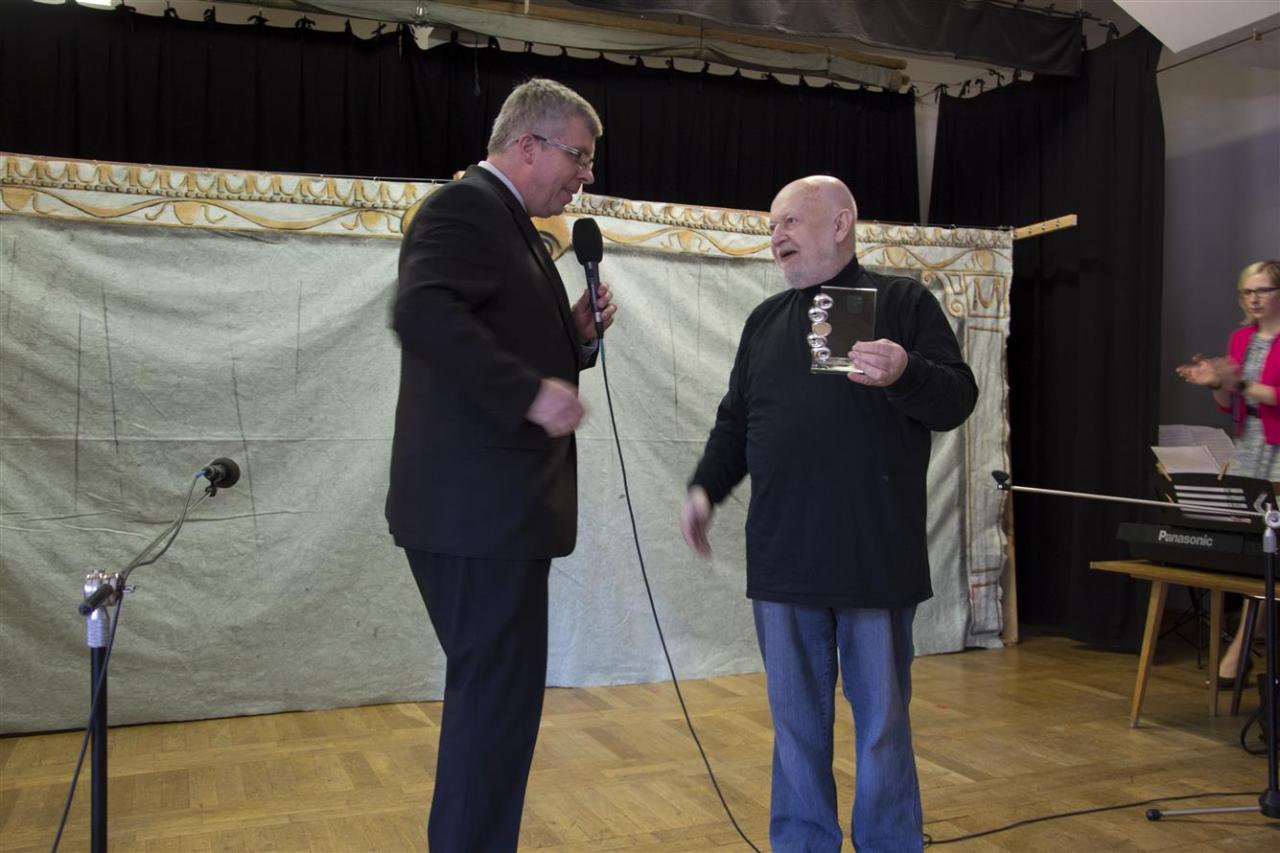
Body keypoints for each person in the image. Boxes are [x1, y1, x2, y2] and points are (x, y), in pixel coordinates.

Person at [681, 175, 977, 852]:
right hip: (784, 560)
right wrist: (704, 489)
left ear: (841, 223)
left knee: (881, 727)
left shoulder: (901, 302)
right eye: (772, 226)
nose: (776, 236)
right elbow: (735, 425)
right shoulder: (764, 322)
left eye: (790, 221)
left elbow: (957, 399)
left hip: (873, 558)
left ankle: (889, 843)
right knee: (796, 729)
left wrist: (906, 371)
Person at [385, 78, 615, 852]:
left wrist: (574, 336)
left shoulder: (513, 225)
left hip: (492, 515)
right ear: (528, 145)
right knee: (493, 712)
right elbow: (421, 310)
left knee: (497, 710)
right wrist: (528, 393)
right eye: (578, 156)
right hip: (477, 514)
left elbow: (497, 331)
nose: (585, 174)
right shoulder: (466, 208)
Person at [1177, 259, 1280, 686]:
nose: (1254, 299)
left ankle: (1239, 652)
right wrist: (1215, 382)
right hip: (1249, 446)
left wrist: (1238, 384)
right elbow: (1229, 406)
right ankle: (1244, 649)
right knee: (1251, 549)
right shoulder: (1240, 338)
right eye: (1247, 292)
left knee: (1273, 551)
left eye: (1263, 290)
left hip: (1278, 451)